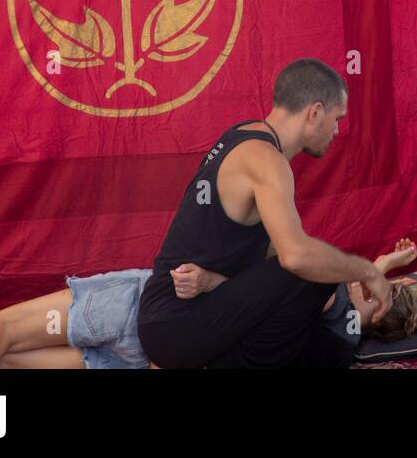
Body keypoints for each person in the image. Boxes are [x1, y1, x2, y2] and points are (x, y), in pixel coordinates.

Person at [136, 58, 392, 369]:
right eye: (337, 118)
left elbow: (262, 255)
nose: (338, 131)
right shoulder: (267, 160)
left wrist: (217, 281)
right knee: (312, 274)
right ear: (315, 112)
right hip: (176, 326)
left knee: (312, 274)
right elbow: (295, 257)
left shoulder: (243, 134)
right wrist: (366, 271)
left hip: (183, 317)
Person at [0, 238, 417, 369]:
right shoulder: (338, 347)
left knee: (2, 331)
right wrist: (382, 266)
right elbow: (351, 306)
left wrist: (370, 270)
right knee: (4, 361)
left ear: (377, 307)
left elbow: (303, 269)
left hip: (146, 311)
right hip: (163, 359)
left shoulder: (322, 290)